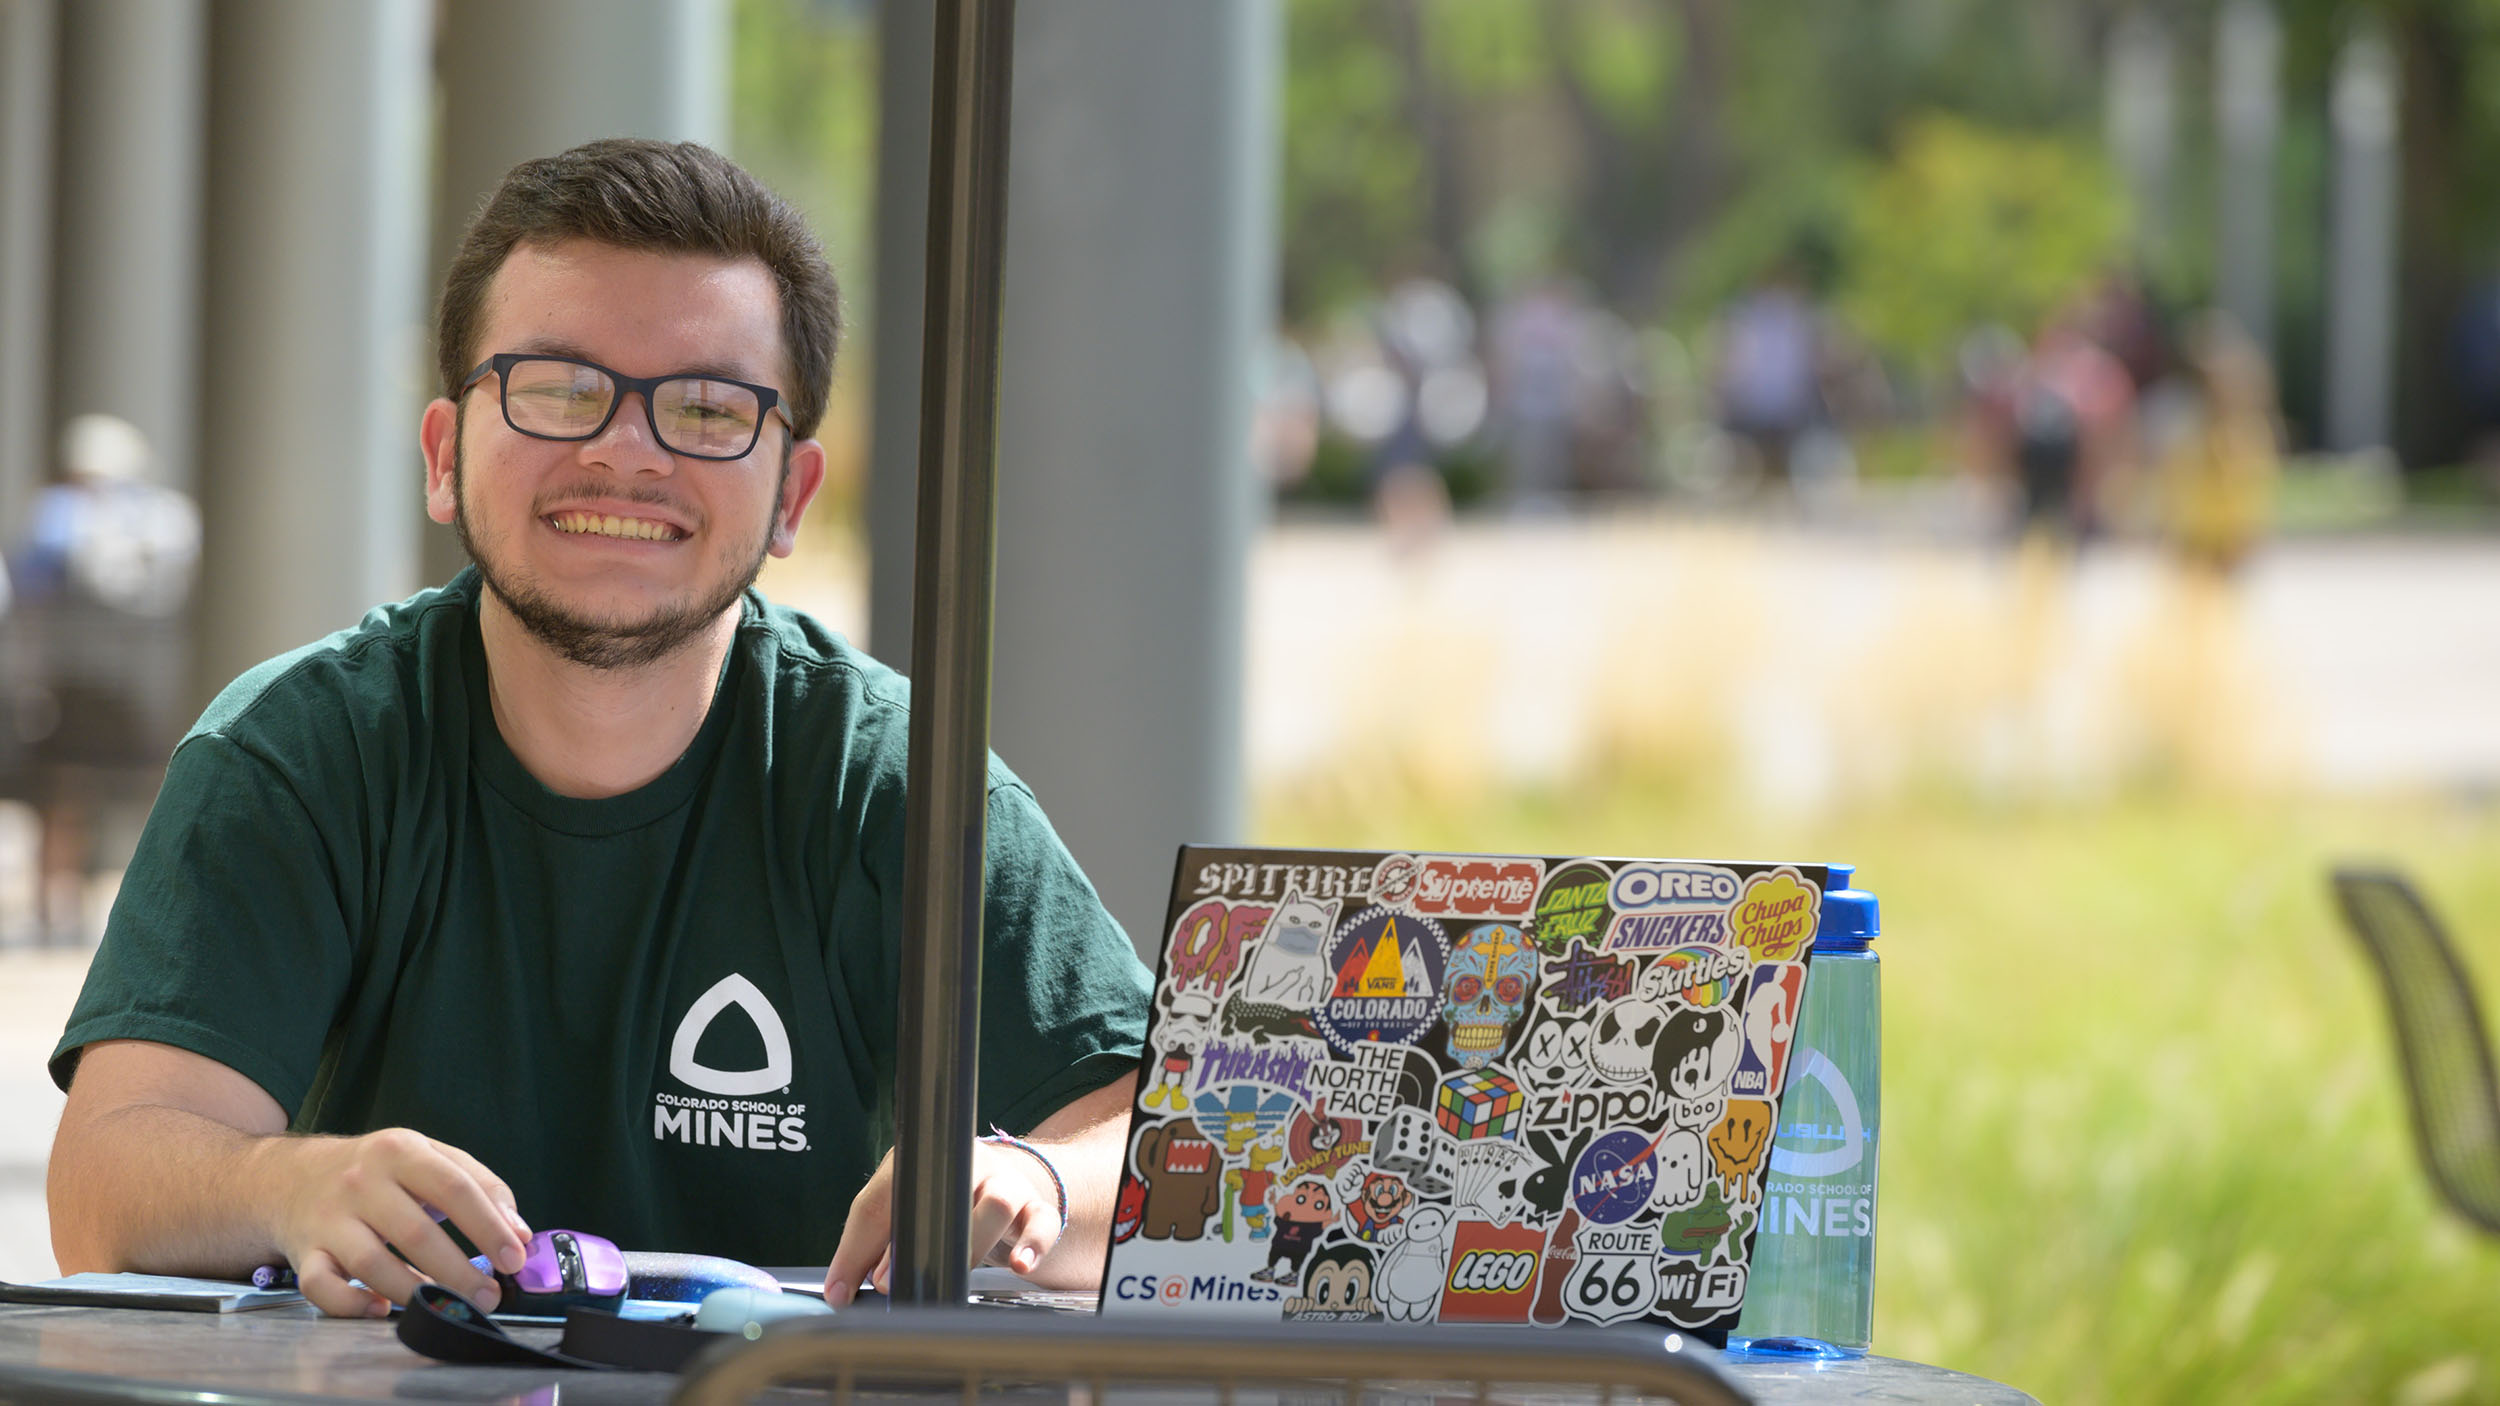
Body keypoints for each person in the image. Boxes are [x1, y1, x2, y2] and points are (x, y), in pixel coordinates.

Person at [44, 140, 1151, 1317]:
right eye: (559, 386)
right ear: (443, 453)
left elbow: (1167, 1145)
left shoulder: (896, 783)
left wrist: (1033, 1178)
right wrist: (290, 1184)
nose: (626, 448)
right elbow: (105, 1185)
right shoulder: (301, 751)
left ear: (792, 495)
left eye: (709, 408)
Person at [3, 413, 200, 947]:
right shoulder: (169, 519)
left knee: (62, 794)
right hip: (141, 684)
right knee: (153, 791)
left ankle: (54, 917)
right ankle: (154, 915)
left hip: (72, 680)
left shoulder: (59, 516)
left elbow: (29, 587)